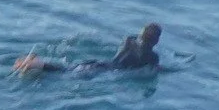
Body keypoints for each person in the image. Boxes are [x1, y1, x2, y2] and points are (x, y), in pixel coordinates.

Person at [13, 23, 162, 77]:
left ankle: (36, 64)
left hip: (101, 63)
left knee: (69, 68)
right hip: (106, 71)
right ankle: (36, 65)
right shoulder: (152, 56)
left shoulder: (128, 40)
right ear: (156, 41)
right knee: (66, 73)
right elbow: (153, 70)